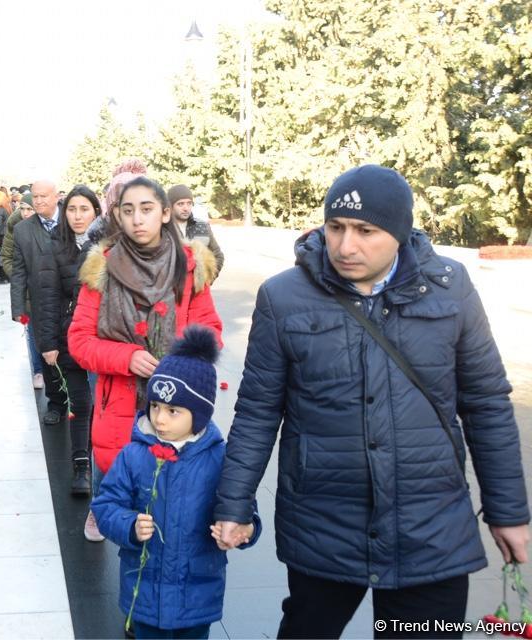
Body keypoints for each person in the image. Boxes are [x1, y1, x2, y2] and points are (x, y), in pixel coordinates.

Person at [212, 164, 530, 639]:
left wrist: (507, 511)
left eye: (366, 231)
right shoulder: (284, 297)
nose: (345, 246)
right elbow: (258, 411)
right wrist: (234, 503)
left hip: (429, 527)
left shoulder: (451, 288)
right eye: (335, 227)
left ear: (399, 232)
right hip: (323, 522)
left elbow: (486, 402)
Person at [69, 176, 224, 544]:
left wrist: (178, 360)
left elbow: (211, 332)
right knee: (116, 483)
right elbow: (79, 340)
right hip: (119, 401)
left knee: (166, 509)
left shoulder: (190, 267)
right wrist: (127, 356)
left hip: (175, 404)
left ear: (166, 214)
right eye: (128, 211)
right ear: (117, 218)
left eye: (147, 209)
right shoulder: (102, 269)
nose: (138, 219)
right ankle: (102, 506)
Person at [92, 325, 260, 639]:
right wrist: (128, 524)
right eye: (155, 406)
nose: (160, 419)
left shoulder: (220, 460)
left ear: (198, 414)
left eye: (173, 411)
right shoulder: (134, 454)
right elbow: (105, 506)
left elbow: (247, 510)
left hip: (197, 597)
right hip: (144, 592)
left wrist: (242, 530)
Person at [34, 185, 99, 495]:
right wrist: (48, 344)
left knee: (103, 406)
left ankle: (108, 466)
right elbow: (46, 298)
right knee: (81, 403)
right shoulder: (55, 246)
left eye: (84, 209)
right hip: (69, 336)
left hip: (104, 341)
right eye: (72, 209)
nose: (77, 216)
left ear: (96, 213)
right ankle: (81, 467)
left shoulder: (110, 247)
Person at [11, 180, 69, 420]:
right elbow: (19, 270)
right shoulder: (23, 230)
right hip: (40, 300)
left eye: (44, 196)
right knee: (46, 351)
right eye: (35, 197)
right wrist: (18, 308)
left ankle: (78, 403)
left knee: (71, 352)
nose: (39, 201)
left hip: (70, 300)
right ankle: (56, 404)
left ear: (56, 196)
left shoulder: (72, 220)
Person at [1, 195, 45, 390]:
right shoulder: (15, 228)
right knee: (33, 331)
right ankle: (38, 370)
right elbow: (6, 258)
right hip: (27, 288)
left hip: (47, 286)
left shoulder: (47, 226)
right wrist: (21, 276)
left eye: (30, 209)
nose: (26, 213)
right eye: (23, 209)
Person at [168, 184, 224, 279]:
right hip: (172, 290)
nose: (186, 208)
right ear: (170, 206)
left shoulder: (202, 226)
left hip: (199, 290)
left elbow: (218, 256)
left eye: (189, 203)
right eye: (180, 204)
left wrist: (207, 281)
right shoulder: (164, 228)